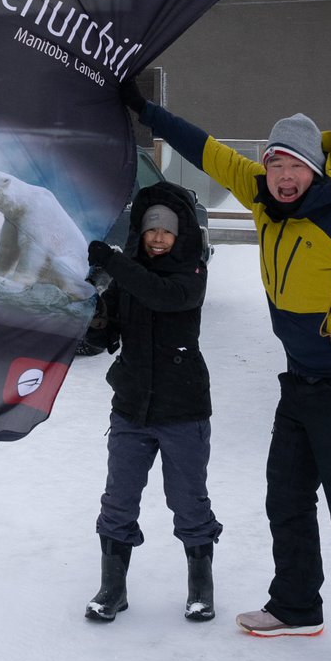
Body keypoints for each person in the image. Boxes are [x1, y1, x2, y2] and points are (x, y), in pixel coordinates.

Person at [120, 81, 331, 661]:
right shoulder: (263, 197)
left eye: (294, 166)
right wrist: (147, 113)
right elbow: (209, 150)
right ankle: (296, 606)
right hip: (300, 385)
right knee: (286, 501)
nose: (283, 177)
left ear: (314, 170)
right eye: (275, 164)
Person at [82, 180, 221, 624]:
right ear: (140, 232)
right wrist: (91, 309)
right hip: (132, 408)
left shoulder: (191, 275)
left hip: (183, 410)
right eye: (150, 230)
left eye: (167, 230)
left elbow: (163, 296)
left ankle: (201, 586)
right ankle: (113, 588)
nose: (158, 238)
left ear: (181, 235)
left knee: (189, 501)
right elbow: (105, 334)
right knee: (118, 499)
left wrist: (115, 266)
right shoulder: (127, 279)